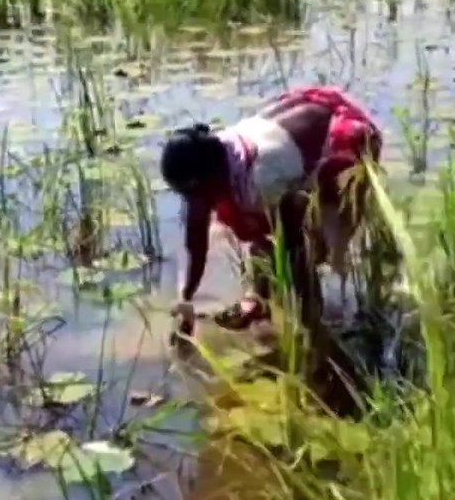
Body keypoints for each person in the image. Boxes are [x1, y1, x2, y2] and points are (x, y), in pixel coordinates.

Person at [162, 85, 382, 337]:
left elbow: (292, 245)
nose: (194, 203)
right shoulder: (208, 159)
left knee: (326, 247)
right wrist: (185, 299)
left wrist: (278, 305)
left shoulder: (261, 178)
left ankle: (334, 325)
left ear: (211, 179)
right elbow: (196, 242)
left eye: (196, 194)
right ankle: (266, 303)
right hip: (293, 133)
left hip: (339, 137)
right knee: (264, 240)